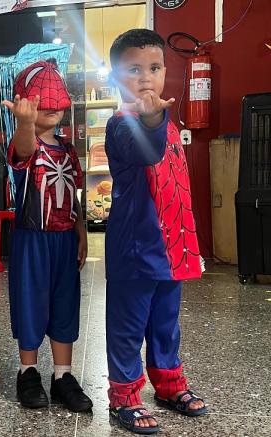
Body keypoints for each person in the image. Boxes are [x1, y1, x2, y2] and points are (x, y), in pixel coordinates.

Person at [105, 29, 207, 434]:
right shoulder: (121, 125)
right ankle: (125, 395)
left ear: (166, 72)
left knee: (166, 322)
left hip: (172, 247)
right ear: (115, 77)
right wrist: (149, 119)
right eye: (133, 69)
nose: (146, 77)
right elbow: (142, 150)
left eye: (154, 67)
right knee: (128, 325)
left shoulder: (167, 121)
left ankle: (168, 383)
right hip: (135, 250)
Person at [2, 60, 92, 412]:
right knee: (30, 303)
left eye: (56, 100)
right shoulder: (24, 144)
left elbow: (75, 192)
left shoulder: (68, 149)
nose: (51, 107)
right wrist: (25, 123)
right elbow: (23, 150)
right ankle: (27, 371)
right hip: (32, 240)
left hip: (65, 239)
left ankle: (62, 376)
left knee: (64, 304)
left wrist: (81, 230)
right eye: (42, 101)